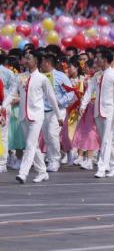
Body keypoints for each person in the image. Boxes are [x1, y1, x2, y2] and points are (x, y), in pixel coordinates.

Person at [2, 51, 64, 184]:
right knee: (33, 146)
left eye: (29, 58)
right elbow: (11, 93)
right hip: (23, 116)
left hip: (36, 116)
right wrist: (3, 106)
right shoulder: (19, 77)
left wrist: (59, 116)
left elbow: (52, 98)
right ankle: (42, 172)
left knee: (29, 144)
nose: (26, 60)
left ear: (36, 61)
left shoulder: (42, 78)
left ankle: (23, 173)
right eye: (25, 58)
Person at [80, 49, 114, 179]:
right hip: (98, 112)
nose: (96, 60)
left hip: (109, 113)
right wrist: (83, 105)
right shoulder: (97, 75)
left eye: (98, 58)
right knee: (105, 141)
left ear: (105, 59)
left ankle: (102, 167)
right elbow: (89, 91)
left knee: (106, 140)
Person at [40, 54, 75, 172]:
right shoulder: (39, 76)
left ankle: (55, 160)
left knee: (52, 133)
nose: (40, 64)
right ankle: (51, 160)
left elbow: (71, 93)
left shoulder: (61, 76)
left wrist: (59, 101)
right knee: (47, 137)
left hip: (57, 111)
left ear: (48, 63)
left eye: (42, 61)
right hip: (42, 110)